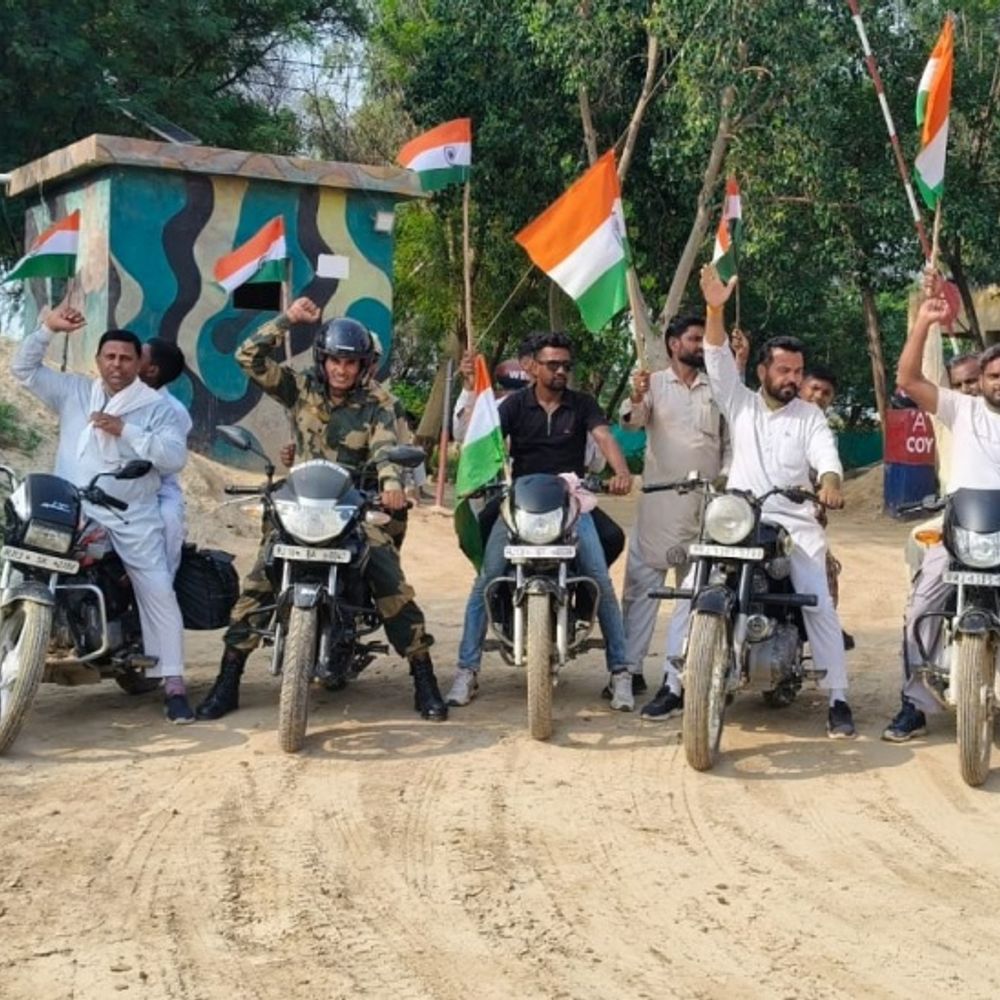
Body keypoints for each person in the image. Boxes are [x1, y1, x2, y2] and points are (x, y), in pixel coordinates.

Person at [195, 297, 447, 722]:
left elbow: (386, 447)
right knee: (260, 578)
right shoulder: (300, 387)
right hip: (303, 501)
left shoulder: (379, 401)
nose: (341, 370)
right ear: (322, 359)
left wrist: (390, 484)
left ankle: (424, 676)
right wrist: (287, 319)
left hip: (354, 505)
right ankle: (228, 680)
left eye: (351, 363)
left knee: (388, 577)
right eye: (334, 361)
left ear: (363, 365)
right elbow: (248, 357)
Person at [12, 302, 193, 722]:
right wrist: (46, 329)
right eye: (109, 356)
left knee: (158, 590)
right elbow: (23, 370)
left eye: (125, 358)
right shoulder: (75, 391)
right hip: (72, 507)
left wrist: (125, 430)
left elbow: (173, 457)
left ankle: (174, 683)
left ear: (138, 364)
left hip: (131, 516)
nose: (117, 364)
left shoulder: (158, 407)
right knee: (22, 556)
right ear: (97, 360)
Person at [696, 264, 856, 738]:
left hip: (793, 522)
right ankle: (673, 680)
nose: (792, 378)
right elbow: (715, 356)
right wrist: (715, 309)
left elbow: (826, 456)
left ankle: (838, 697)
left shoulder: (810, 416)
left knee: (817, 602)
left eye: (798, 371)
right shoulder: (739, 402)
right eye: (784, 370)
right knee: (692, 585)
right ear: (762, 370)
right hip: (740, 517)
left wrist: (830, 483)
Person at [445, 332, 638, 711]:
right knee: (486, 579)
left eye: (566, 365)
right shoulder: (513, 405)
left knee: (600, 580)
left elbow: (603, 437)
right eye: (552, 364)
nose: (560, 371)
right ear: (533, 367)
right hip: (519, 501)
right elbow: (475, 435)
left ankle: (621, 672)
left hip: (571, 501)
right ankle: (466, 670)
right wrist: (469, 388)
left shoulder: (582, 404)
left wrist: (621, 472)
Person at [882, 295, 987, 742]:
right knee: (921, 608)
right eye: (960, 383)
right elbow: (912, 377)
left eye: (975, 381)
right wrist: (925, 319)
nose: (969, 389)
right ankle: (914, 704)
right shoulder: (953, 413)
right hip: (957, 526)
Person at [619, 314, 729, 719]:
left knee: (694, 595)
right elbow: (632, 423)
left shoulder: (718, 388)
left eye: (703, 339)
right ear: (673, 343)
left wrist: (727, 480)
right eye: (694, 339)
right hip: (661, 504)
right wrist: (635, 397)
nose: (700, 345)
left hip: (708, 508)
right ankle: (628, 671)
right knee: (642, 590)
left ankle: (676, 681)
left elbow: (730, 443)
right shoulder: (652, 383)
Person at [137, 337, 190, 577]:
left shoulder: (174, 411)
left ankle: (162, 585)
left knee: (169, 522)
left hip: (157, 486)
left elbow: (167, 459)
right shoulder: (114, 393)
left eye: (140, 355)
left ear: (152, 370)